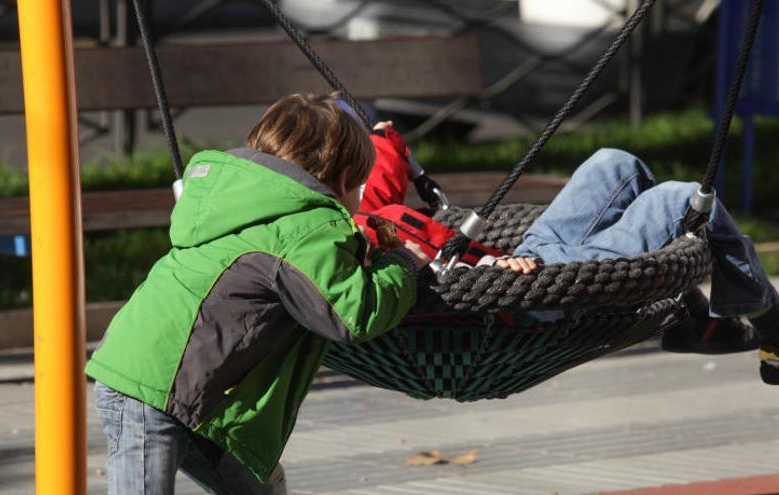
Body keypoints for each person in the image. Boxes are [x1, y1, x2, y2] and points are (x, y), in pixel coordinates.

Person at [85, 93, 431, 495]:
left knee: (257, 485)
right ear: (343, 178)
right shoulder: (306, 225)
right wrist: (403, 265)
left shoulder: (238, 199)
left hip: (180, 387)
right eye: (360, 187)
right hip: (151, 388)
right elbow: (354, 313)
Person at [354, 120, 778, 385]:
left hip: (527, 260)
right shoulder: (342, 242)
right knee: (684, 199)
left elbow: (374, 194)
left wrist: (383, 139)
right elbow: (417, 280)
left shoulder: (348, 211)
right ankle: (769, 322)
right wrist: (488, 270)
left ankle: (694, 317)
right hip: (528, 299)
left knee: (614, 163)